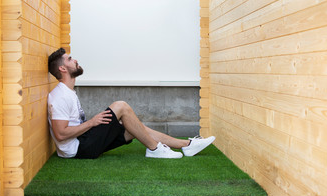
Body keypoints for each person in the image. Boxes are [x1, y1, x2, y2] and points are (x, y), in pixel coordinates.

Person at [47, 48, 216, 159]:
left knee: (134, 127)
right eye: (69, 59)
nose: (75, 60)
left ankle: (187, 145)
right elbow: (61, 135)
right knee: (121, 106)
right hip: (77, 149)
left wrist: (92, 125)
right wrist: (92, 122)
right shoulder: (60, 96)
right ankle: (155, 149)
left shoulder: (68, 92)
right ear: (62, 69)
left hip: (83, 141)